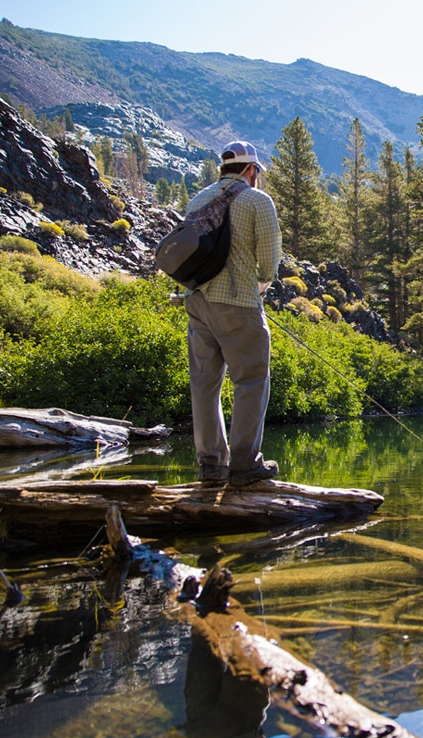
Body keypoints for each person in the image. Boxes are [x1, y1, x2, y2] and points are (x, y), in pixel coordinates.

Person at [184, 140, 280, 486]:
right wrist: (261, 287)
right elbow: (268, 262)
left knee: (205, 384)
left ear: (223, 169)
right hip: (239, 304)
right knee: (251, 380)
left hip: (196, 303)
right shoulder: (257, 200)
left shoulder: (198, 199)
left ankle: (211, 464)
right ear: (251, 170)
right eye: (257, 172)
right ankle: (245, 465)